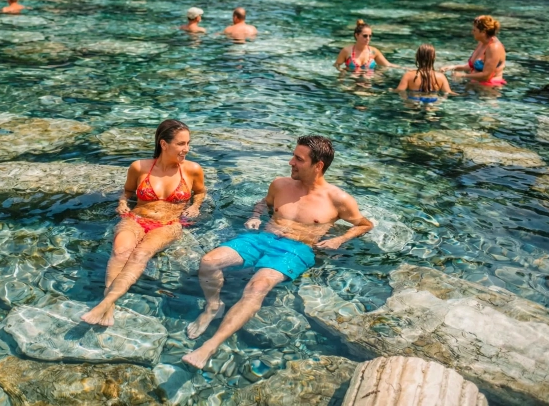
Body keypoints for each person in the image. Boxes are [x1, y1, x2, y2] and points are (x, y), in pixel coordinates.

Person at [182, 135, 373, 369]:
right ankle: (213, 305)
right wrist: (254, 216)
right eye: (293, 156)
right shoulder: (280, 184)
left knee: (257, 287)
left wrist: (340, 239)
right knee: (209, 261)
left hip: (297, 248)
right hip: (263, 237)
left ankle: (210, 346)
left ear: (318, 165)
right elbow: (264, 203)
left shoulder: (338, 199)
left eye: (298, 159)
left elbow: (364, 225)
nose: (290, 162)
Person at [81, 120, 206, 326]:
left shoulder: (192, 169)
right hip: (136, 219)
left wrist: (195, 206)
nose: (187, 149)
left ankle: (105, 304)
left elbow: (200, 192)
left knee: (141, 254)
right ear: (164, 144)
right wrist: (122, 203)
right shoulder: (139, 167)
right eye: (181, 144)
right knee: (121, 251)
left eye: (188, 143)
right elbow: (127, 192)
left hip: (169, 223)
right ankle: (108, 308)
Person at [441, 16, 506, 87]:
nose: (472, 32)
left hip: (490, 88)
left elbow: (486, 76)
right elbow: (471, 66)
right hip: (475, 84)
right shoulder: (481, 42)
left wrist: (463, 75)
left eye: (474, 30)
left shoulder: (494, 48)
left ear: (483, 32)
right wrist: (452, 67)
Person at [334, 19, 398, 72]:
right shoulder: (346, 51)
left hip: (368, 82)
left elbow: (388, 65)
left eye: (370, 36)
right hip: (351, 81)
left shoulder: (374, 51)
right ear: (357, 35)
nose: (368, 38)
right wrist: (343, 72)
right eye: (365, 36)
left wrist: (404, 68)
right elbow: (337, 65)